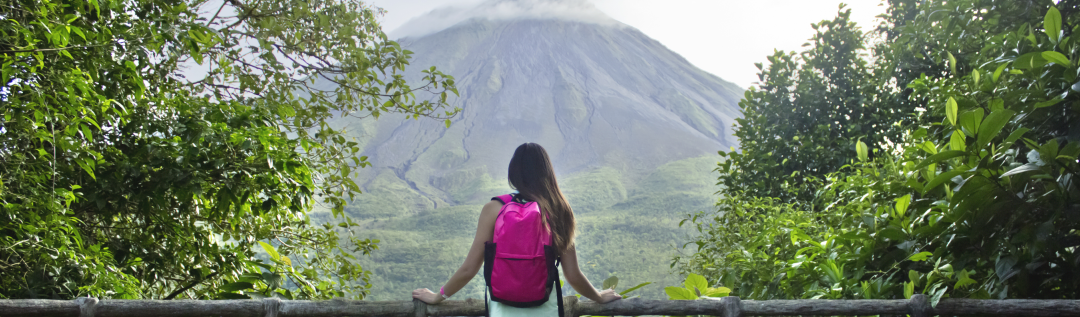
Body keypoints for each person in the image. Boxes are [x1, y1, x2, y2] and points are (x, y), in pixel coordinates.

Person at [412, 143, 622, 315]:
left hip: (501, 309)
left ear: (514, 172)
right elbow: (573, 275)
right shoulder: (558, 210)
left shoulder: (494, 209)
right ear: (548, 172)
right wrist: (598, 296)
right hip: (545, 309)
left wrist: (438, 296)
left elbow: (470, 268)